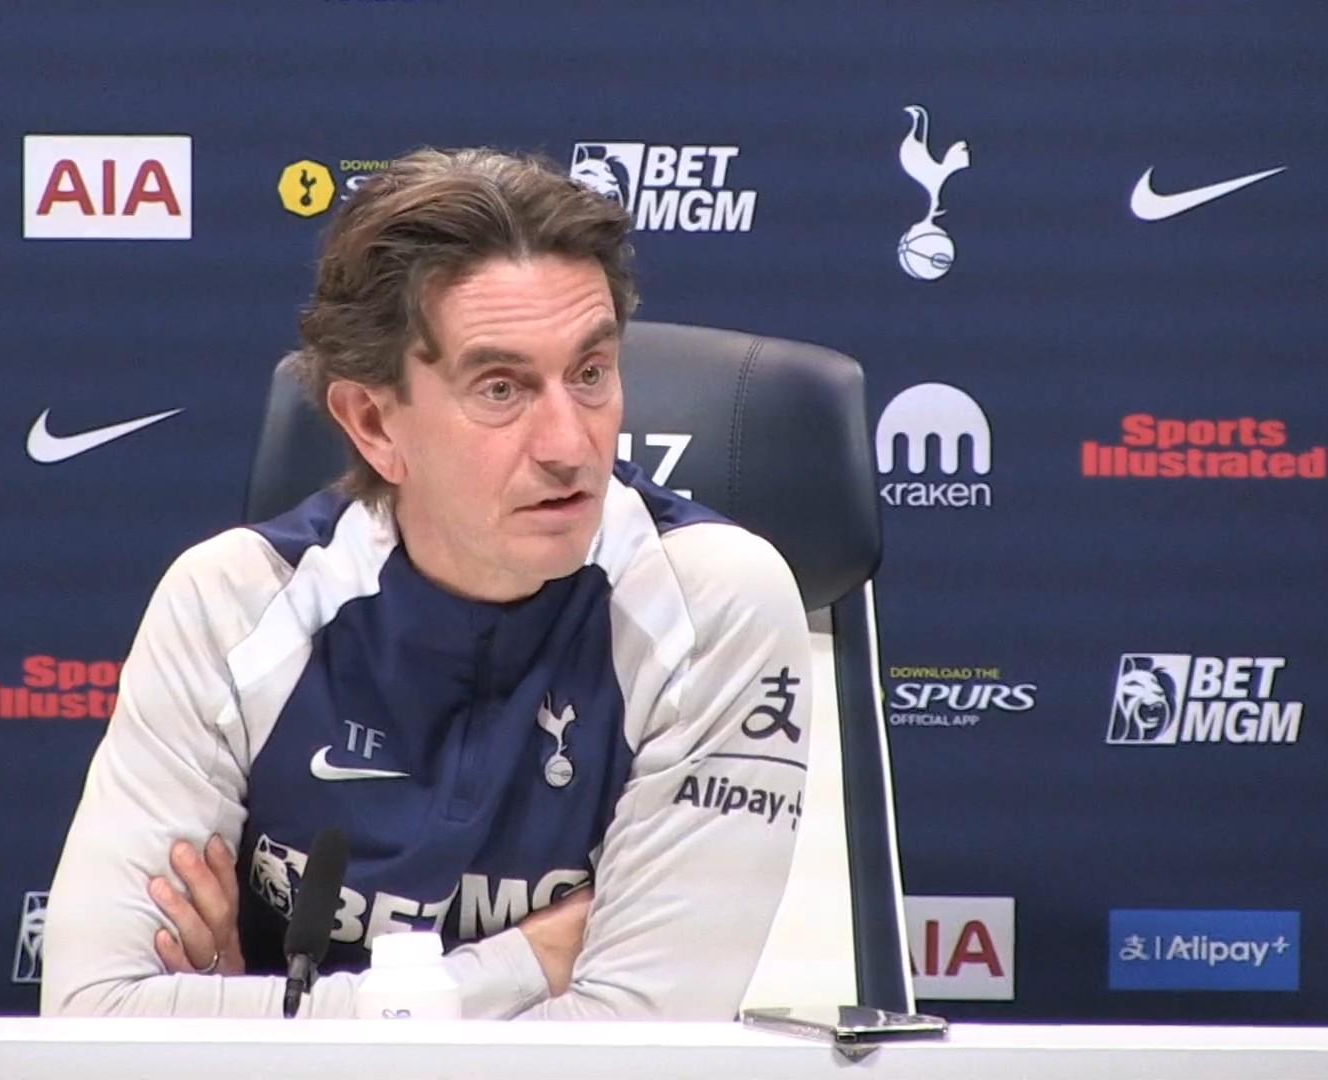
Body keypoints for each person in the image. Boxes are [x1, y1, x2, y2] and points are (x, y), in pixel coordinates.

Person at [41, 147, 813, 1020]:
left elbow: (637, 1045)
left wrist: (256, 1022)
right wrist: (529, 962)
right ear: (374, 423)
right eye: (501, 389)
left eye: (591, 373)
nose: (570, 444)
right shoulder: (231, 603)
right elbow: (97, 1016)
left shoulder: (713, 604)